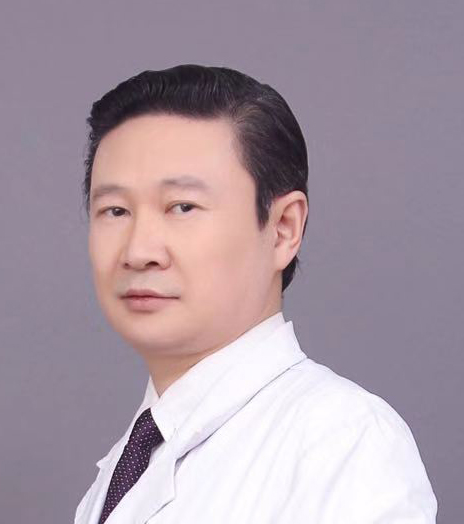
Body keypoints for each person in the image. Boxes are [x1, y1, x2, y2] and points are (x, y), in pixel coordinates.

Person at [74, 64, 438, 523]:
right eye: (115, 210)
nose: (139, 251)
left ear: (283, 228)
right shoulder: (129, 464)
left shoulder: (345, 442)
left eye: (182, 207)